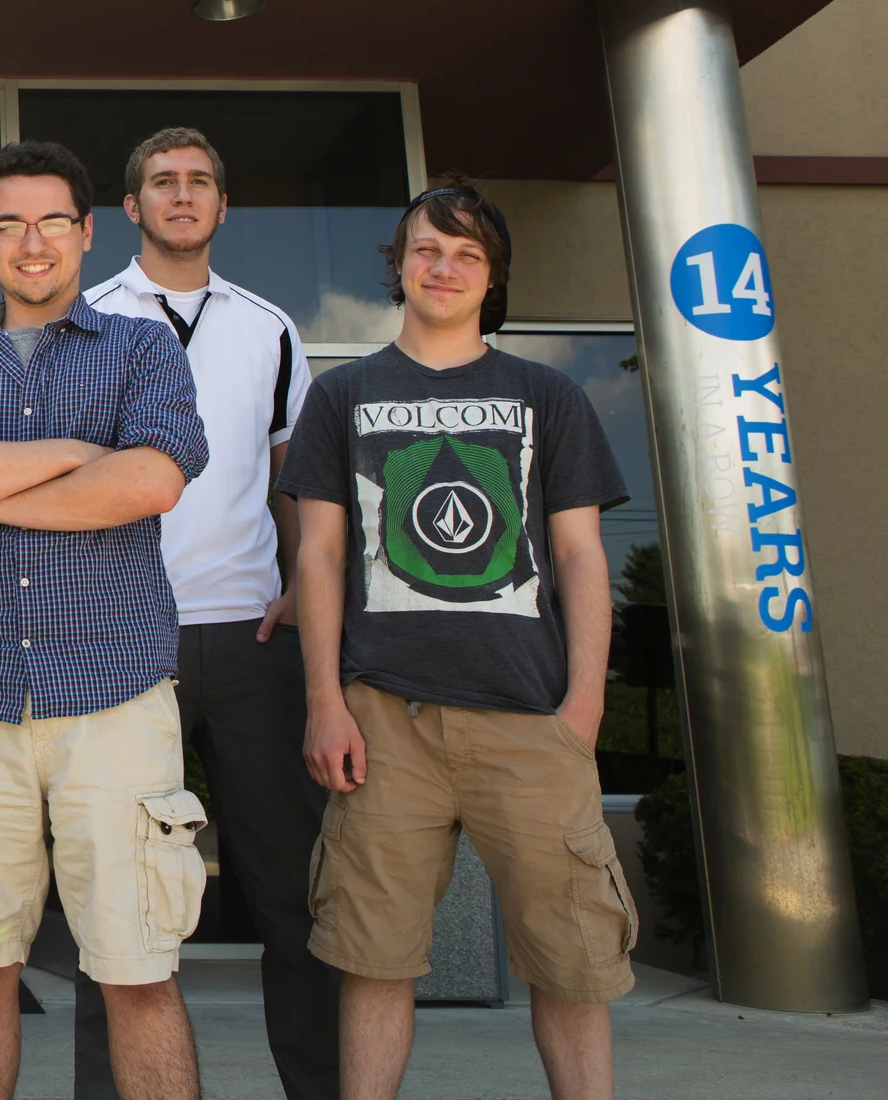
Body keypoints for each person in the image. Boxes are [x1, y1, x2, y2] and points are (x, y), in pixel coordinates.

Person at [280, 180, 634, 1100]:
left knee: (573, 961)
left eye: (467, 253)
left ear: (492, 277)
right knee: (373, 956)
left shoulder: (545, 395)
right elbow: (318, 556)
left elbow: (580, 556)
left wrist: (583, 711)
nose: (444, 266)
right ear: (398, 265)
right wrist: (325, 699)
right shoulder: (342, 394)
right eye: (427, 248)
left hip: (532, 718)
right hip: (384, 718)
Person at [0, 141, 213, 1100]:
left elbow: (152, 477)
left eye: (52, 221)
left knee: (138, 970)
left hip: (112, 692)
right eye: (11, 224)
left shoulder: (145, 347)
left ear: (87, 232)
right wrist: (76, 454)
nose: (33, 243)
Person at [76, 127, 338, 1100]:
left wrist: (299, 589)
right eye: (161, 182)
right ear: (132, 207)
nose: (181, 195)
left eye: (198, 182)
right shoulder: (85, 316)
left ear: (222, 207)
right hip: (121, 640)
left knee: (289, 895)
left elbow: (293, 483)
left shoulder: (268, 328)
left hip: (250, 639)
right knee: (123, 905)